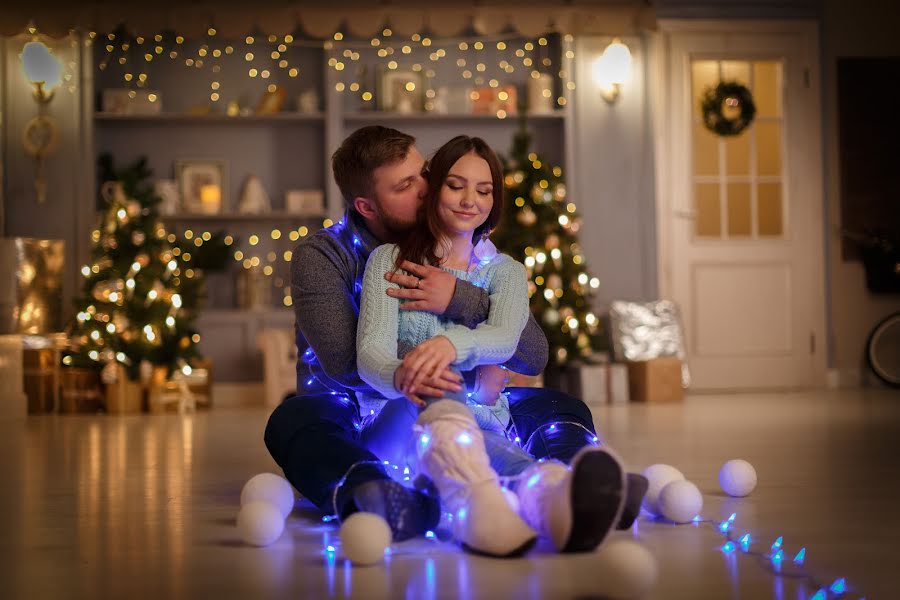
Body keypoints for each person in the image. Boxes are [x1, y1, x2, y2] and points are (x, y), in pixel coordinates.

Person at [263, 126, 646, 551]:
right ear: (366, 206)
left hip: (465, 395)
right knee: (293, 421)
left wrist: (459, 298)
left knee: (558, 406)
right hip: (358, 406)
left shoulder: (478, 250)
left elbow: (532, 353)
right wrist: (444, 373)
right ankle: (375, 494)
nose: (428, 190)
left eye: (425, 173)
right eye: (407, 185)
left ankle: (584, 482)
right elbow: (348, 363)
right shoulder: (328, 256)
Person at [356, 135, 629, 557]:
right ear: (433, 189)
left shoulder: (505, 273)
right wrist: (402, 372)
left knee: (489, 445)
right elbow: (370, 353)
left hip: (480, 427)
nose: (470, 201)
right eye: (455, 185)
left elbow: (504, 338)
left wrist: (450, 344)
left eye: (484, 191)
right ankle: (508, 502)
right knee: (434, 385)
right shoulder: (389, 262)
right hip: (398, 420)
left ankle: (551, 499)